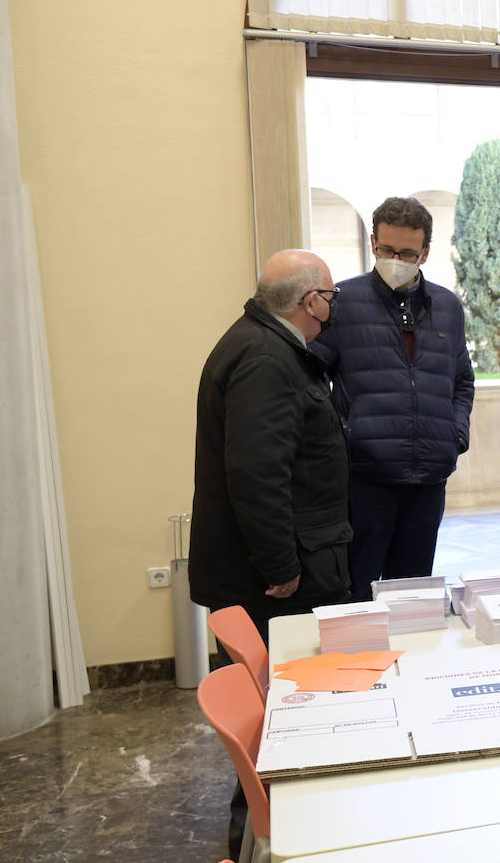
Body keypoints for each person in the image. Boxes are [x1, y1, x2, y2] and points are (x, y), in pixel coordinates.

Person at [189, 248, 352, 861]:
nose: (331, 310)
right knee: (287, 716)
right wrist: (281, 567)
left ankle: (267, 832)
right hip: (281, 577)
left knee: (281, 716)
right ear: (311, 301)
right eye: (330, 298)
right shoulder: (264, 357)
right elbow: (257, 474)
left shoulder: (263, 345)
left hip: (286, 563)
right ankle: (272, 836)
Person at [311, 197, 475, 600]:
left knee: (412, 600)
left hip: (428, 480)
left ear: (425, 253)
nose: (395, 259)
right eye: (386, 249)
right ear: (373, 242)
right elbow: (311, 381)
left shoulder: (448, 307)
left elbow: (462, 382)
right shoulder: (342, 303)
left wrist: (455, 434)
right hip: (365, 480)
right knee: (356, 596)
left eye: (406, 253)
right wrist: (344, 434)